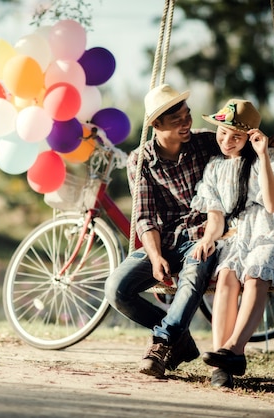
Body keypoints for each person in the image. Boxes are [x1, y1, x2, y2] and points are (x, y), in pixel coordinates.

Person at [190, 99, 274, 388]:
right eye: (222, 133)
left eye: (236, 136)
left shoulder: (268, 157)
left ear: (251, 136)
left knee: (256, 272)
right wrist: (208, 237)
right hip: (241, 235)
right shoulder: (215, 168)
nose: (227, 141)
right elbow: (216, 216)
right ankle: (223, 365)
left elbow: (271, 205)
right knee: (227, 276)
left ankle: (234, 349)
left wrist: (264, 155)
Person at [104, 84, 221, 379]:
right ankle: (179, 338)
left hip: (202, 234)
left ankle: (163, 343)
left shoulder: (207, 143)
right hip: (165, 238)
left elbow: (242, 143)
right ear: (156, 125)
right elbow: (144, 217)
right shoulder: (140, 161)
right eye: (176, 120)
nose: (186, 123)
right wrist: (155, 257)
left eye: (187, 115)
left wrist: (266, 145)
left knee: (193, 277)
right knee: (116, 290)